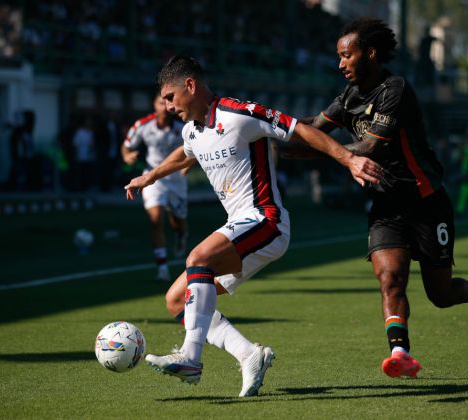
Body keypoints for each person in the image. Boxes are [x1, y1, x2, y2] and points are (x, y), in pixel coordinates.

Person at [124, 55, 382, 396]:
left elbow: (298, 129)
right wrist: (149, 176)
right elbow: (185, 154)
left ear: (190, 86)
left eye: (170, 97)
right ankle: (249, 355)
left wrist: (349, 159)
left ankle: (190, 356)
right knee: (176, 301)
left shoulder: (239, 113)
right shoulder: (193, 130)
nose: (168, 106)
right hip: (242, 228)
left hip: (266, 221)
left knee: (197, 258)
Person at [282, 18, 468, 378]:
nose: (340, 64)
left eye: (346, 55)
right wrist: (265, 128)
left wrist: (310, 151)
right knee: (390, 279)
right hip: (387, 206)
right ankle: (400, 353)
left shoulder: (394, 89)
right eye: (338, 56)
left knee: (440, 294)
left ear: (370, 53)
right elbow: (312, 128)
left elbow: (369, 148)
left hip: (427, 202)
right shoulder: (349, 97)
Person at [122, 95, 189, 281]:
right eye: (161, 102)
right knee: (156, 220)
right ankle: (162, 268)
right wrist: (127, 156)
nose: (166, 106)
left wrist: (189, 165)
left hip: (176, 179)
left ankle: (181, 235)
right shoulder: (143, 125)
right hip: (152, 179)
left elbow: (195, 149)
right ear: (154, 105)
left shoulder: (183, 126)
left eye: (169, 102)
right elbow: (126, 147)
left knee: (178, 222)